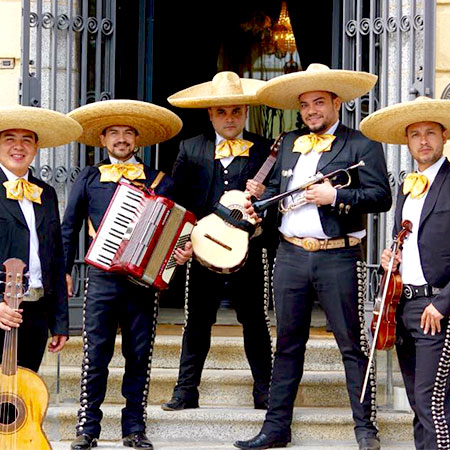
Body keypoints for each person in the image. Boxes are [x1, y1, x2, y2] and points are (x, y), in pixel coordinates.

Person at [234, 63, 393, 450]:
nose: (311, 111)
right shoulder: (288, 141)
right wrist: (260, 198)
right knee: (287, 344)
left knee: (351, 345)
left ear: (336, 103)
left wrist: (335, 196)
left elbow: (382, 198)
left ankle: (365, 428)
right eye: (305, 105)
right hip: (289, 256)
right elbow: (276, 192)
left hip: (337, 257)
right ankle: (275, 429)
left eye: (319, 102)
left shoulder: (361, 144)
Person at [62, 99, 192, 450]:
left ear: (138, 140)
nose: (121, 138)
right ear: (103, 140)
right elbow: (69, 227)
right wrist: (63, 271)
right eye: (114, 132)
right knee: (96, 355)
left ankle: (134, 428)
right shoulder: (89, 177)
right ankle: (88, 428)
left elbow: (176, 228)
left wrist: (180, 251)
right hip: (101, 278)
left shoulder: (159, 180)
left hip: (142, 282)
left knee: (139, 355)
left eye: (128, 132)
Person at [161, 71, 274, 412]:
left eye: (236, 111)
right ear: (210, 113)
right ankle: (185, 390)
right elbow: (177, 202)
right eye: (222, 112)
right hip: (202, 250)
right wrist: (183, 245)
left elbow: (279, 205)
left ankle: (265, 391)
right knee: (196, 321)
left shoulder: (266, 149)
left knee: (255, 321)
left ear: (245, 112)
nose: (229, 118)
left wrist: (263, 208)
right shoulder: (190, 148)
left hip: (248, 251)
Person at [360, 96, 450, 450]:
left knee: (433, 403)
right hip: (404, 306)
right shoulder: (407, 186)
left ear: (443, 137)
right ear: (407, 141)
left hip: (436, 310)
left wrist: (443, 304)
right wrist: (391, 257)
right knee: (417, 401)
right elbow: (413, 243)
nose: (423, 140)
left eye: (430, 132)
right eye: (415, 134)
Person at [0, 105, 81, 372]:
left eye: (27, 140)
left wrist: (59, 323)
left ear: (36, 147)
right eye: (9, 138)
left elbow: (55, 259)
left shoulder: (45, 193)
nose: (18, 146)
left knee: (23, 399)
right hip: (2, 311)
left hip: (35, 314)